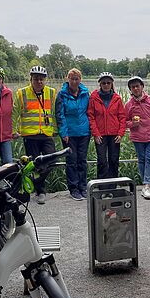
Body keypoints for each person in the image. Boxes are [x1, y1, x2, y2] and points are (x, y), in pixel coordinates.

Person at [12, 65, 57, 205]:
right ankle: (40, 191)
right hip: (30, 134)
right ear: (31, 79)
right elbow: (14, 113)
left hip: (46, 133)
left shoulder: (51, 92)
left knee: (52, 160)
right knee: (35, 163)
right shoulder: (21, 93)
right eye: (36, 79)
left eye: (42, 79)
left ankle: (33, 181)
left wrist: (56, 129)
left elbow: (54, 112)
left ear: (45, 80)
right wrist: (14, 130)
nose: (39, 81)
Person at [124, 76, 150, 200]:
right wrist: (132, 124)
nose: (136, 88)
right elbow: (124, 121)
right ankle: (145, 185)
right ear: (130, 89)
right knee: (141, 160)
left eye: (137, 86)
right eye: (133, 87)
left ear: (142, 86)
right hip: (137, 137)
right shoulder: (129, 104)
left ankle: (147, 184)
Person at [55, 68, 91, 201]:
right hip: (69, 133)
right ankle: (74, 188)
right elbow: (60, 115)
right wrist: (63, 132)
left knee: (82, 160)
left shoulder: (85, 93)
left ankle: (83, 187)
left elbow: (89, 111)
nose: (74, 81)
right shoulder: (62, 95)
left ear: (80, 80)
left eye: (77, 79)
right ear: (68, 79)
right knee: (71, 161)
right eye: (72, 79)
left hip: (84, 132)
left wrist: (90, 128)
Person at [87, 72, 126, 183]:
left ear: (112, 84)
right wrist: (95, 133)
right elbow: (91, 116)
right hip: (100, 135)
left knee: (114, 160)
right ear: (100, 84)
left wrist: (120, 133)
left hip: (114, 135)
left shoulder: (117, 98)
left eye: (108, 83)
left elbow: (122, 117)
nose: (106, 85)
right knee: (102, 161)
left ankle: (112, 186)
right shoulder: (94, 98)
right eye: (103, 83)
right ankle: (101, 186)